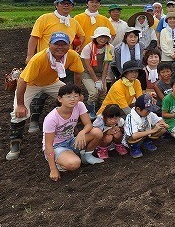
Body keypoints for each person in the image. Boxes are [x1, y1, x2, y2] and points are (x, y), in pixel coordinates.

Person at [6, 32, 85, 161]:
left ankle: (75, 131)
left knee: (74, 101)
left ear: (69, 46)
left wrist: (78, 93)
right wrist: (20, 105)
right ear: (49, 45)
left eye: (63, 44)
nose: (60, 47)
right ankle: (15, 144)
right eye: (56, 44)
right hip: (31, 84)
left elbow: (77, 74)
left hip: (52, 83)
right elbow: (22, 81)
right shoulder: (39, 58)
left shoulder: (72, 56)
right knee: (18, 113)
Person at [42, 84, 104, 181]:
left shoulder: (79, 105)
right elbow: (48, 145)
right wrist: (53, 169)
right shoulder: (51, 118)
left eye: (76, 96)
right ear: (60, 99)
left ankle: (87, 156)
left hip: (71, 141)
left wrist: (81, 132)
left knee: (97, 132)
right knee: (74, 163)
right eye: (68, 96)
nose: (73, 99)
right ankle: (58, 163)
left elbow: (88, 124)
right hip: (57, 147)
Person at [26, 0, 85, 64]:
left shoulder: (74, 22)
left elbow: (82, 35)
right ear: (56, 5)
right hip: (46, 59)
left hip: (66, 60)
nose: (66, 5)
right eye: (63, 3)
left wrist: (79, 45)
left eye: (69, 3)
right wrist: (30, 56)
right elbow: (34, 37)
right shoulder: (44, 18)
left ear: (72, 6)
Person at [80, 26, 113, 119]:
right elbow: (88, 67)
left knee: (103, 91)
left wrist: (102, 80)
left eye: (105, 37)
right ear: (95, 37)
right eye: (100, 37)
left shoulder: (109, 48)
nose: (103, 39)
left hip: (100, 72)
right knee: (93, 92)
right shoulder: (88, 48)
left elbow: (106, 65)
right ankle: (91, 111)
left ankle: (102, 110)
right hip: (87, 74)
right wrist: (96, 81)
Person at [123, 94, 168, 158]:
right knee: (133, 137)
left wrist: (164, 124)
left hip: (145, 134)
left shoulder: (148, 113)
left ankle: (146, 142)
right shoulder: (130, 118)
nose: (149, 112)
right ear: (138, 109)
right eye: (147, 110)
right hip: (134, 138)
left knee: (162, 128)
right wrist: (153, 130)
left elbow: (158, 120)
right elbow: (134, 135)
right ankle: (134, 148)